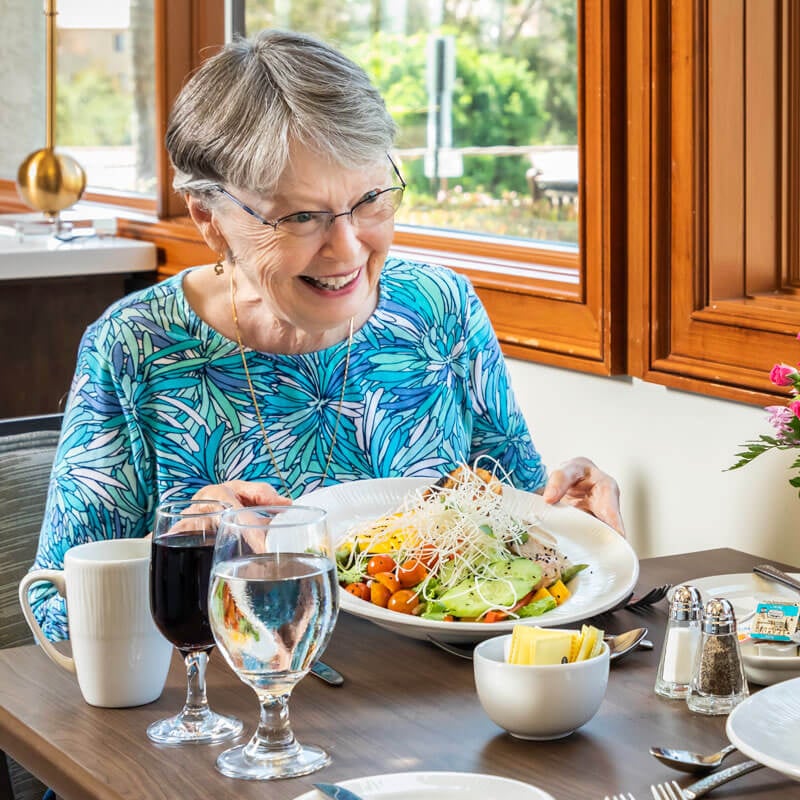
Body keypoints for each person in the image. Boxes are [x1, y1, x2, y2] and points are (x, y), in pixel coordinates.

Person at [30, 29, 623, 641]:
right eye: (300, 216)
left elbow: (519, 523)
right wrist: (181, 553)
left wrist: (574, 515)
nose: (346, 248)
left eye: (369, 200)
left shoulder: (438, 309)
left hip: (442, 707)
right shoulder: (136, 348)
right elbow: (57, 617)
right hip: (243, 712)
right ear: (209, 218)